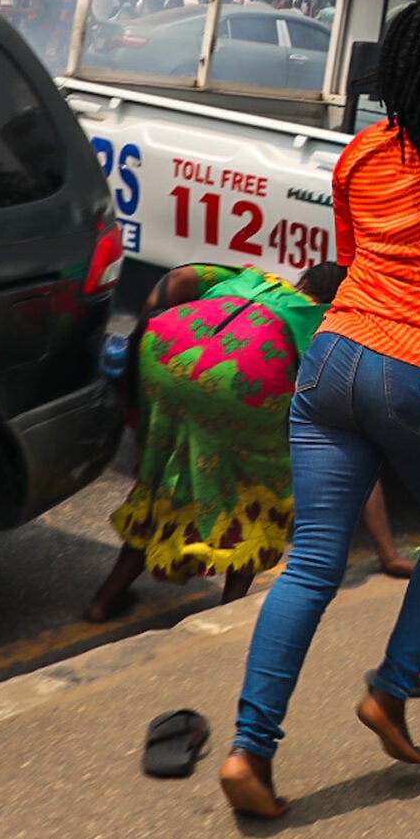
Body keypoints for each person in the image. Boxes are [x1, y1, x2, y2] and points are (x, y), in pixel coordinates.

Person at [221, 0, 420, 820]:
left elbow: (361, 259)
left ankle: (250, 750)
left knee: (313, 562)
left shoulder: (361, 151)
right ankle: (391, 689)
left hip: (333, 363)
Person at [90, 261, 342, 623]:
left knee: (162, 483)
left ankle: (105, 600)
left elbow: (179, 278)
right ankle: (229, 611)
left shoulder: (253, 277)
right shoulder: (325, 322)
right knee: (259, 492)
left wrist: (140, 330)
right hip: (240, 380)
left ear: (301, 279)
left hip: (166, 352)